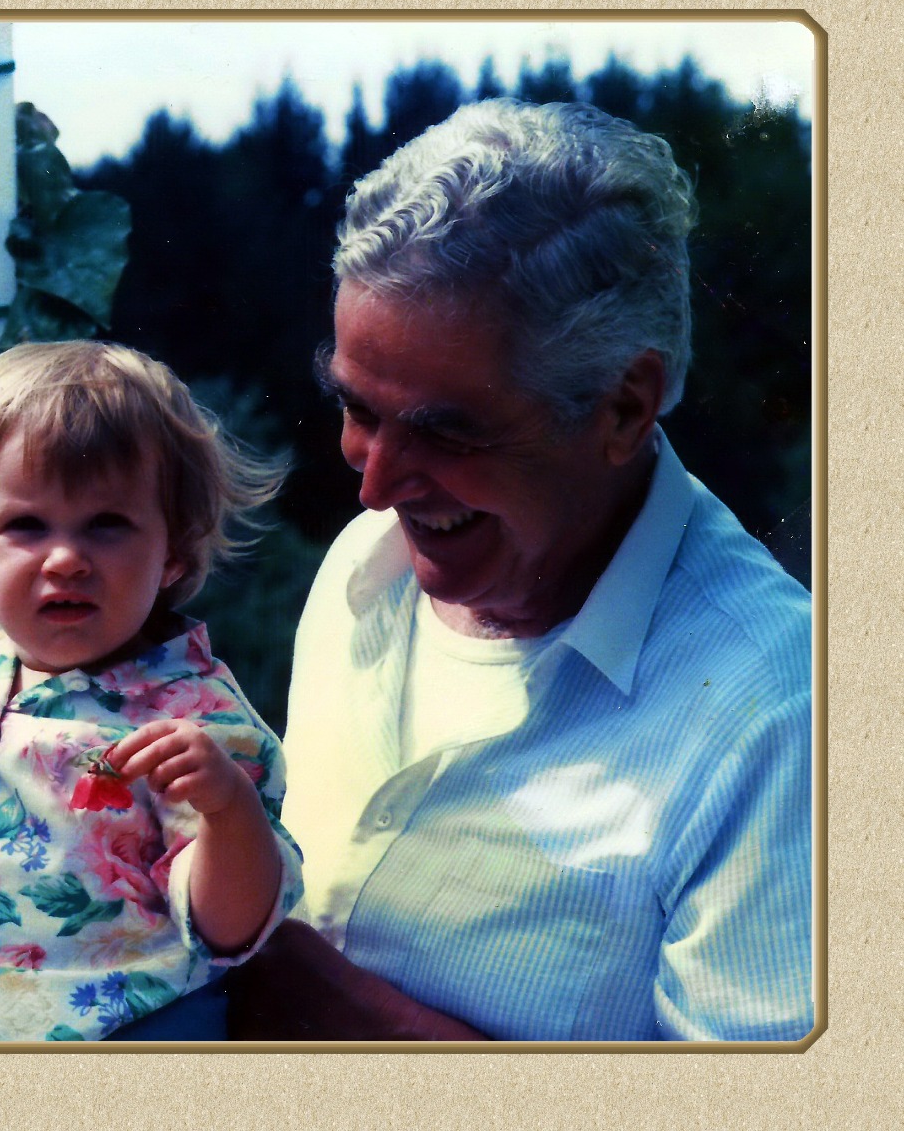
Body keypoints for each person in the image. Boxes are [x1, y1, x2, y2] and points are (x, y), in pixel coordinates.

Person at [230, 98, 812, 1041]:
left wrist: (330, 1010)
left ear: (625, 406)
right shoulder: (364, 568)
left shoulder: (783, 716)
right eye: (358, 410)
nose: (375, 487)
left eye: (444, 430)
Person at [0, 341, 304, 1041]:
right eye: (25, 526)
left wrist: (229, 806)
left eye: (106, 525)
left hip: (126, 1028)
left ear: (172, 549)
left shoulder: (194, 719)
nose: (65, 559)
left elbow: (231, 929)